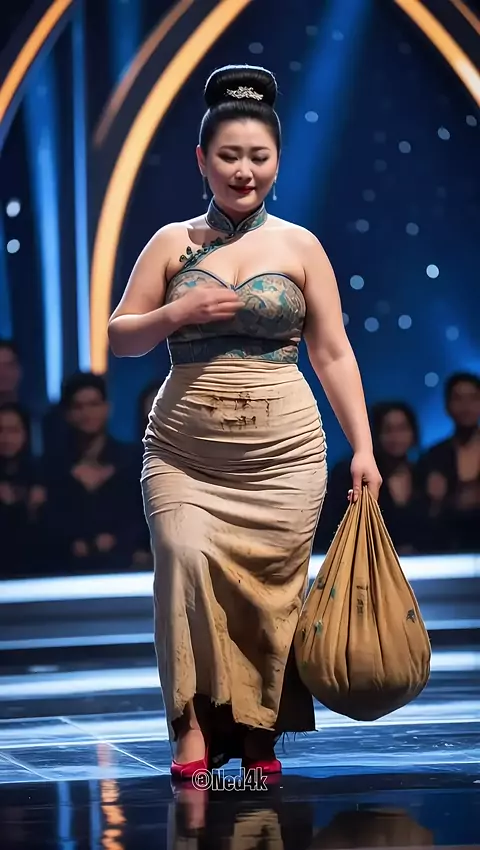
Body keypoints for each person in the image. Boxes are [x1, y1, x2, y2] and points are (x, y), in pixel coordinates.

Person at [108, 64, 382, 779]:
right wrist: (177, 312)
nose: (244, 170)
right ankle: (190, 729)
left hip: (283, 456)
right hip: (185, 454)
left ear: (277, 161)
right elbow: (120, 336)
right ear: (203, 159)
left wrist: (363, 448)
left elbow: (333, 352)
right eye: (229, 155)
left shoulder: (300, 246)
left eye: (258, 156)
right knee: (181, 564)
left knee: (272, 593)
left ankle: (260, 733)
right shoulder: (172, 242)